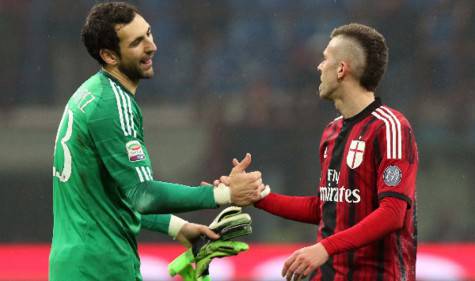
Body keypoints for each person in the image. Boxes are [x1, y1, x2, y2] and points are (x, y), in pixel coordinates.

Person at [49, 2, 265, 281]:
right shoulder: (112, 105)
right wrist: (224, 195)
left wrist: (177, 227)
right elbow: (142, 194)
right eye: (137, 42)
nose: (151, 46)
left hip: (77, 264)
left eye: (149, 34)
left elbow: (117, 195)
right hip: (102, 267)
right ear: (109, 55)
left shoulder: (89, 94)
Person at [229, 23, 418, 281]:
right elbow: (328, 207)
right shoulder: (332, 132)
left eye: (325, 58)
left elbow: (393, 214)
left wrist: (325, 248)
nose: (319, 66)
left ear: (342, 69)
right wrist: (258, 197)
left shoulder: (391, 128)